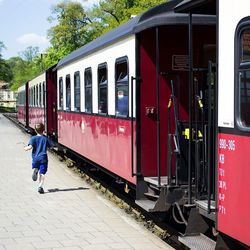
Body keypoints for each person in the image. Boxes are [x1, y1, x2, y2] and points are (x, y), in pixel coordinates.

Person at [24, 123, 54, 194]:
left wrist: (25, 148)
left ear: (35, 130)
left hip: (35, 158)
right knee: (42, 173)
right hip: (43, 158)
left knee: (37, 167)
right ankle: (40, 187)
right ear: (43, 130)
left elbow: (30, 147)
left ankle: (36, 169)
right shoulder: (45, 138)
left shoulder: (33, 138)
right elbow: (52, 146)